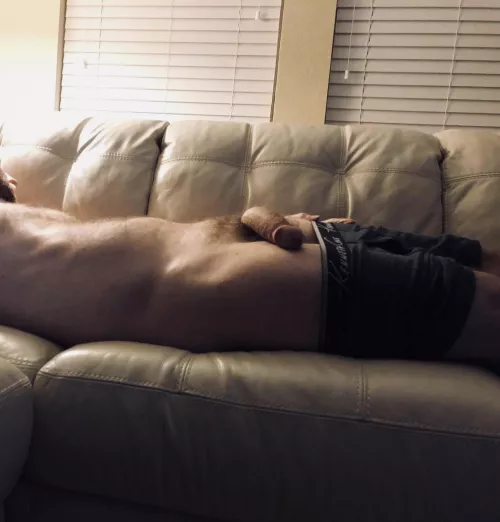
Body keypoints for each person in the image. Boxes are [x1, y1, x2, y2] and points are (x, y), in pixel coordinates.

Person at [0, 166, 499, 363]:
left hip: (293, 235)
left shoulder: (27, 219)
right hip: (271, 278)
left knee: (480, 257)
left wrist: (270, 220)